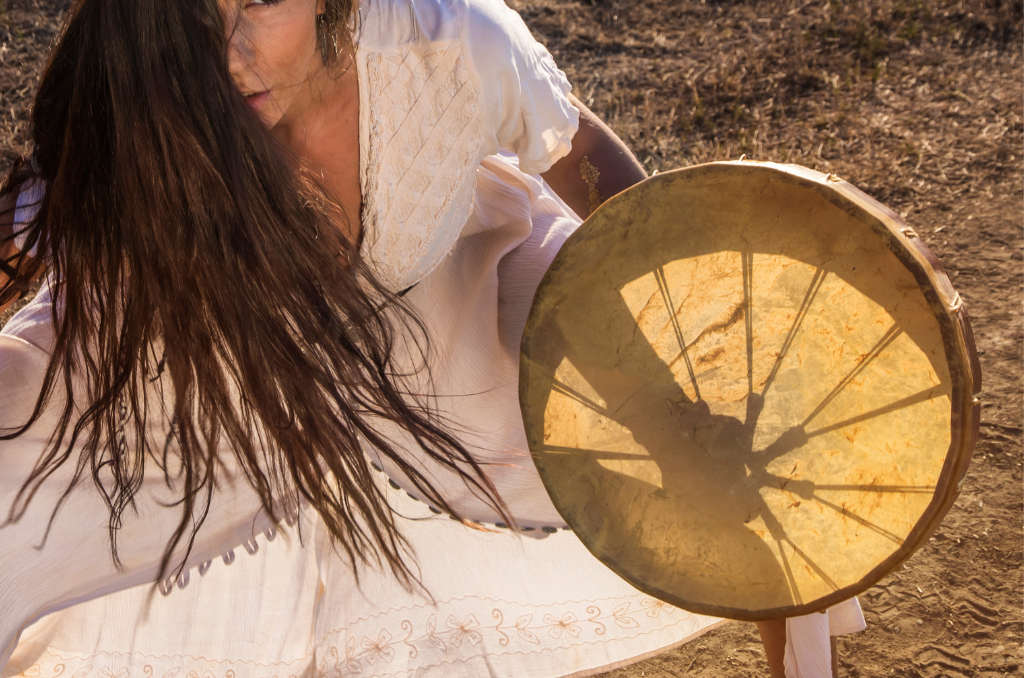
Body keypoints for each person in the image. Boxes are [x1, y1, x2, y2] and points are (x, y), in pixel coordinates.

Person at [0, 0, 864, 676]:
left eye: (263, 1)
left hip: (454, 289)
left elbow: (573, 146)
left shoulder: (450, 43)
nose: (229, 54)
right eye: (193, 14)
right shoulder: (156, 90)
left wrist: (688, 315)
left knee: (718, 458)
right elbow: (37, 209)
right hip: (213, 333)